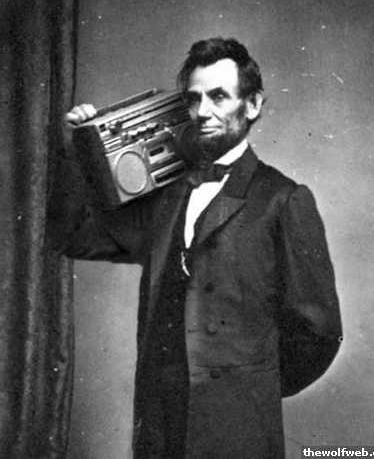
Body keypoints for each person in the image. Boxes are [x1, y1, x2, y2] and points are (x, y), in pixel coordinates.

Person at [58, 38, 342, 458]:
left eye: (219, 96)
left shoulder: (284, 199)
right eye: (194, 99)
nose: (203, 112)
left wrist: (250, 386)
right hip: (161, 429)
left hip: (239, 431)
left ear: (252, 104)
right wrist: (75, 152)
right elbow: (75, 237)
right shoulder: (166, 197)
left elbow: (319, 332)